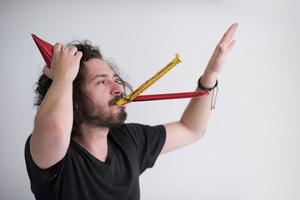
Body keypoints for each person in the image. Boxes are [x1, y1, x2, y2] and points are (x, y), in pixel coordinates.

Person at [25, 23, 238, 200]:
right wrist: (64, 75)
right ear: (75, 99)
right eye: (101, 82)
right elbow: (54, 129)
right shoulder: (55, 154)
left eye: (115, 79)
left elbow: (191, 129)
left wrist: (210, 76)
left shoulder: (128, 140)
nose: (118, 88)